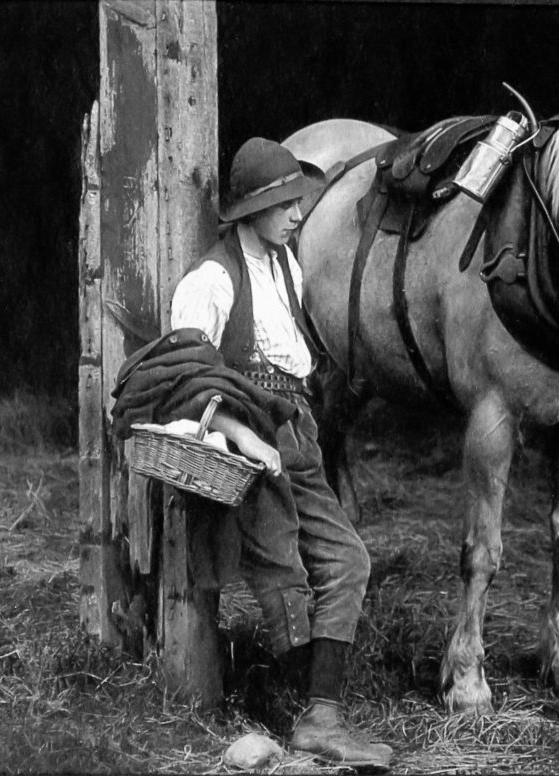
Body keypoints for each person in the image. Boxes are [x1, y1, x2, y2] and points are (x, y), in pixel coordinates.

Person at [170, 137, 393, 770]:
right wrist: (242, 437)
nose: (297, 214)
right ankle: (304, 713)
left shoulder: (287, 267)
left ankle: (321, 714)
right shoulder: (212, 280)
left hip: (298, 437)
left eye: (298, 201)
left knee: (349, 560)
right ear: (250, 211)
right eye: (284, 204)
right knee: (285, 578)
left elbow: (296, 361)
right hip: (248, 443)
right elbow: (181, 380)